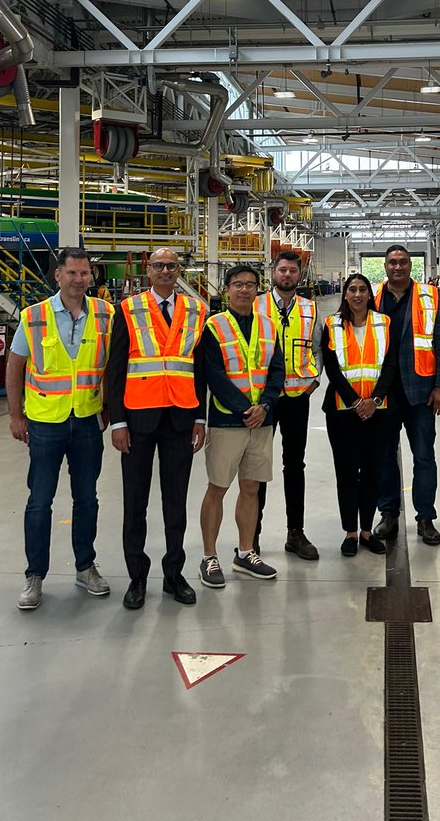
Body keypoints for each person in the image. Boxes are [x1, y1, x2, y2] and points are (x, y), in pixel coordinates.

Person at [6, 247, 114, 611]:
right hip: (44, 422)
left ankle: (86, 567)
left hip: (86, 420)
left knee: (87, 499)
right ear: (58, 276)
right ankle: (34, 575)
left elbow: (111, 365)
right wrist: (15, 415)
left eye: (85, 274)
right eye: (72, 273)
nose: (79, 279)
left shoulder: (104, 314)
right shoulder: (34, 316)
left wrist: (110, 409)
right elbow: (15, 366)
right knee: (39, 501)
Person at [106, 247, 208, 610]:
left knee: (175, 502)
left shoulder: (197, 309)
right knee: (135, 503)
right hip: (137, 420)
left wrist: (200, 418)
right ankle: (136, 577)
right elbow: (115, 369)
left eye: (172, 266)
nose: (166, 271)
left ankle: (173, 574)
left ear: (179, 270)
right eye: (159, 265)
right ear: (148, 270)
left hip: (181, 418)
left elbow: (199, 368)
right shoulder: (128, 309)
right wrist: (117, 421)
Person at [198, 265, 285, 588]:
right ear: (227, 288)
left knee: (251, 488)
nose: (245, 290)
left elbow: (277, 370)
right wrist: (243, 408)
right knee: (217, 488)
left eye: (250, 285)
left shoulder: (268, 325)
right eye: (238, 285)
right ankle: (209, 556)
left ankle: (245, 552)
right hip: (226, 420)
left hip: (261, 421)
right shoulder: (214, 326)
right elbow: (213, 374)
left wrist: (264, 406)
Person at [372, 244, 440, 546]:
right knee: (384, 458)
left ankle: (426, 517)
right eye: (392, 262)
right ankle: (388, 514)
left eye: (403, 262)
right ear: (385, 265)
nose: (398, 267)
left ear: (410, 265)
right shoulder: (373, 296)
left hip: (421, 393)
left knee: (424, 457)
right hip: (383, 394)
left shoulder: (430, 297)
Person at [321, 274, 397, 556]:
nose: (357, 294)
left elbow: (390, 365)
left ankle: (367, 530)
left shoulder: (385, 323)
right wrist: (356, 402)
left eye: (362, 289)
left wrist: (375, 400)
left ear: (369, 294)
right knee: (347, 473)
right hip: (343, 412)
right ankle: (350, 532)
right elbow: (332, 369)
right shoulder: (332, 325)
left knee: (373, 472)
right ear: (345, 294)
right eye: (351, 289)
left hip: (379, 411)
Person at [254, 250, 322, 560]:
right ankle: (251, 535)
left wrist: (314, 382)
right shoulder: (256, 306)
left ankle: (296, 533)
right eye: (282, 270)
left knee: (295, 466)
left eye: (292, 271)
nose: (287, 275)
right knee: (257, 467)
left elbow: (320, 348)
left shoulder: (310, 309)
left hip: (297, 399)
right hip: (262, 402)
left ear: (300, 274)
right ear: (273, 272)